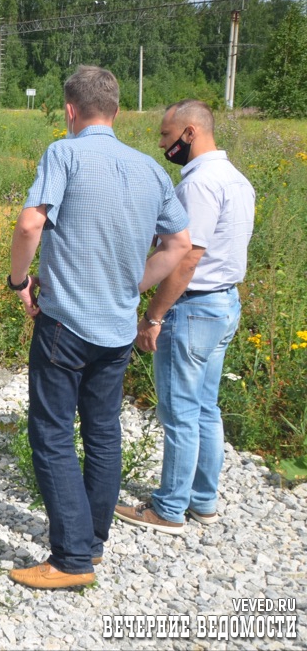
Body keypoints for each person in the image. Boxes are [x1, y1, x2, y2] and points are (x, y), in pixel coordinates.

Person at [6, 66, 191, 590]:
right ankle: (93, 544)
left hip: (65, 323)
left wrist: (19, 280)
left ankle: (70, 560)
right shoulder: (151, 170)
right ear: (114, 111)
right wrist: (133, 285)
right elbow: (179, 246)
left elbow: (29, 223)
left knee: (52, 434)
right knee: (104, 433)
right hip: (115, 327)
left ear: (70, 110)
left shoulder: (63, 153)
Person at [114, 100, 254, 534]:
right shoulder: (236, 179)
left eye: (165, 135)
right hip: (224, 303)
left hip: (192, 307)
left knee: (178, 415)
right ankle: (202, 501)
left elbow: (187, 257)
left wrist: (154, 316)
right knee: (205, 409)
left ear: (189, 133)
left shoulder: (200, 184)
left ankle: (169, 508)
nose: (162, 144)